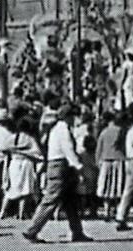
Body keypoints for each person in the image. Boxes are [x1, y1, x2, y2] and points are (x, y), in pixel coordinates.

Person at [23, 104, 91, 242]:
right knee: (51, 199)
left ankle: (77, 232)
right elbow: (68, 149)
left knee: (70, 201)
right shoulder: (62, 129)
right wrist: (78, 167)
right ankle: (32, 229)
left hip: (57, 165)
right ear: (68, 116)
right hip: (61, 166)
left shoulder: (55, 129)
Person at [0, 117, 43, 219]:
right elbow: (38, 154)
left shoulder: (12, 137)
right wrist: (25, 152)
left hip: (14, 163)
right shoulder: (30, 139)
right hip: (26, 163)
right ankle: (21, 213)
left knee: (11, 189)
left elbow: (3, 149)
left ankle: (2, 212)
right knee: (25, 190)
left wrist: (15, 151)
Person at [95, 111, 125, 220]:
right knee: (117, 186)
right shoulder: (120, 131)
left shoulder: (103, 132)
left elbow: (99, 148)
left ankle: (107, 210)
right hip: (118, 159)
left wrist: (97, 161)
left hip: (105, 160)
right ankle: (116, 210)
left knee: (106, 187)